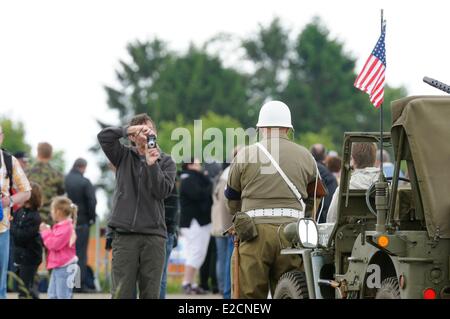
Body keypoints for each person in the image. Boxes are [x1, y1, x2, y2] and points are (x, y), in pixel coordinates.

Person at [225, 101, 317, 299]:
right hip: (291, 234)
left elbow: (232, 198)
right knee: (291, 291)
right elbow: (314, 199)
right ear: (287, 128)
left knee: (248, 297)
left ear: (261, 128)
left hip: (254, 233)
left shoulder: (245, 154)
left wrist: (240, 218)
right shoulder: (306, 156)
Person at [97, 113, 176, 299]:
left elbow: (162, 192)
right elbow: (104, 137)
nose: (147, 135)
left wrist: (152, 164)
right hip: (125, 236)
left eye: (150, 130)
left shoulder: (166, 161)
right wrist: (127, 129)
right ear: (132, 136)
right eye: (142, 131)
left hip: (154, 237)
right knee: (121, 293)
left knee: (151, 294)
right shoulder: (122, 155)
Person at [0, 125, 32, 299]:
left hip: (2, 227)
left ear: (2, 137)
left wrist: (9, 201)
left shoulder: (9, 161)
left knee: (0, 281)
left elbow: (26, 191)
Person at [179, 158, 213, 294]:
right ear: (190, 165)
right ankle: (186, 282)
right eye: (198, 164)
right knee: (196, 252)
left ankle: (191, 282)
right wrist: (209, 183)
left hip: (199, 222)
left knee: (197, 253)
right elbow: (199, 194)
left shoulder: (195, 178)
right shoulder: (188, 179)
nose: (200, 167)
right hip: (194, 222)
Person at [64, 158, 97, 293]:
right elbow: (92, 201)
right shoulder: (85, 182)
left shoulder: (64, 180)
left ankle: (65, 283)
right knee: (80, 255)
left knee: (65, 254)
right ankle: (77, 285)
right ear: (83, 167)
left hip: (64, 223)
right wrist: (92, 218)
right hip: (81, 223)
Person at [326, 143, 380, 223]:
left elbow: (331, 220)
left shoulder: (344, 188)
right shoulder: (386, 186)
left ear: (353, 159)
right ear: (375, 159)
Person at [40, 196, 78, 299]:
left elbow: (54, 245)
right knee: (52, 294)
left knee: (63, 295)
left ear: (58, 211)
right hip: (59, 266)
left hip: (65, 267)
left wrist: (45, 232)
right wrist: (48, 231)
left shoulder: (66, 228)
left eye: (52, 209)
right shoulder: (61, 227)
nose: (51, 212)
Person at [10, 182, 43, 299]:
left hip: (31, 257)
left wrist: (14, 229)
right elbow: (12, 226)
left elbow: (23, 235)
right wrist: (14, 229)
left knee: (25, 288)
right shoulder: (19, 212)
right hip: (20, 256)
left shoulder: (35, 216)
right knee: (23, 285)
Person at [27, 142, 65, 224]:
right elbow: (61, 192)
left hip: (29, 217)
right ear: (51, 155)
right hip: (49, 218)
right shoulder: (57, 174)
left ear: (38, 153)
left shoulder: (27, 173)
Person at [159, 179, 180, 299]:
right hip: (168, 232)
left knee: (160, 275)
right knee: (161, 275)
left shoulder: (166, 180)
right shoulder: (171, 179)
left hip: (162, 232)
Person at [310, 144, 338, 223]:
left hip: (302, 219)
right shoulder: (329, 176)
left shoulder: (304, 169)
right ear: (325, 156)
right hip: (322, 220)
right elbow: (330, 202)